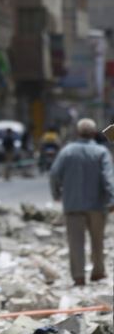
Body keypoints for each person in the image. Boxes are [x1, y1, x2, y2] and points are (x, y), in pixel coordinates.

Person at [49, 118, 114, 286]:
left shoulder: (67, 151)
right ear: (93, 133)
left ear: (77, 133)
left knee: (76, 242)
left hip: (73, 204)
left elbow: (54, 174)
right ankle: (98, 272)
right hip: (97, 206)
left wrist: (56, 193)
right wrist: (112, 199)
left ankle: (78, 276)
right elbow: (108, 178)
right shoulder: (101, 152)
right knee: (97, 241)